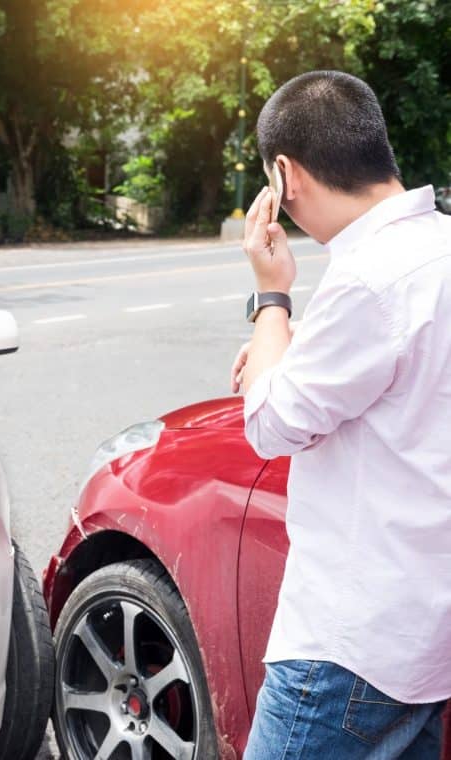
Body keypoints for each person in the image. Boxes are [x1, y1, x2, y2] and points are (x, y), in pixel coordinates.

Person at [234, 70, 451, 759]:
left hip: (350, 646)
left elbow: (270, 424)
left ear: (285, 176)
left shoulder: (366, 279)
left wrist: (272, 298)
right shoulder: (438, 247)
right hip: (426, 636)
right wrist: (292, 351)